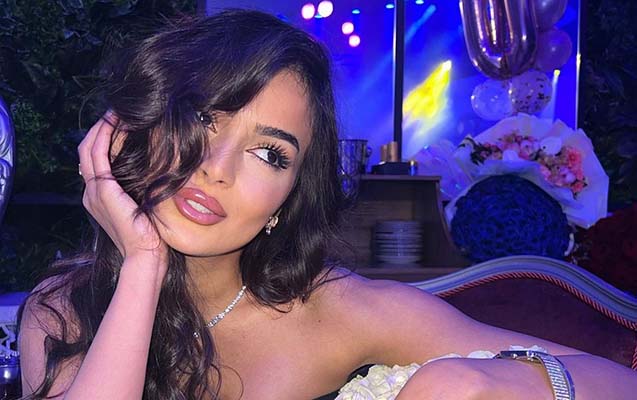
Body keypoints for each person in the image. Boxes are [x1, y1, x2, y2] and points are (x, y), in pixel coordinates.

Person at [17, 9, 637, 400]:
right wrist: (142, 265)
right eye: (202, 119)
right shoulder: (65, 309)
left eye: (269, 154)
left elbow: (619, 381)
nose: (217, 168)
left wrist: (482, 380)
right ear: (139, 127)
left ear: (287, 198)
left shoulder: (334, 309)